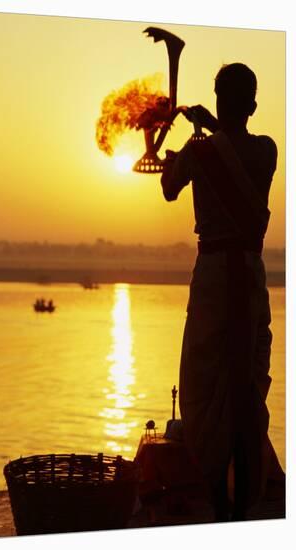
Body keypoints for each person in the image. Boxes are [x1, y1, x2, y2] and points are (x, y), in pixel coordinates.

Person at [160, 63, 281, 521]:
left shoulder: (200, 152)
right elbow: (233, 148)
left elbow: (169, 188)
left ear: (217, 100)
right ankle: (246, 499)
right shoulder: (266, 150)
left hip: (213, 281)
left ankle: (213, 494)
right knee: (245, 387)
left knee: (205, 386)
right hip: (249, 279)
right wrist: (210, 129)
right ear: (251, 105)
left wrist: (179, 155)